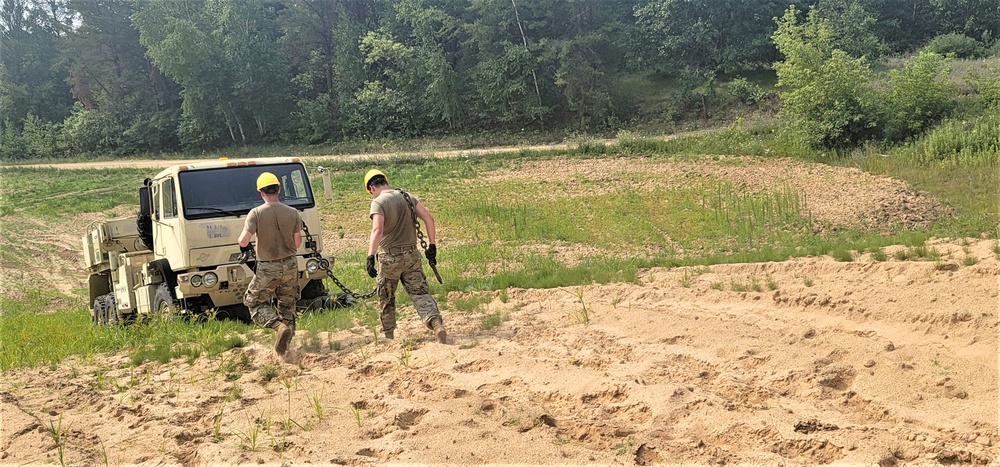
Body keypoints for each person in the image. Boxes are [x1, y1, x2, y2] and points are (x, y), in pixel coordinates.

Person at [364, 169, 447, 343]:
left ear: (372, 188)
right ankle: (436, 323)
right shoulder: (407, 196)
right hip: (411, 255)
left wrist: (370, 256)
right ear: (386, 182)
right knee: (420, 293)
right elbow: (429, 219)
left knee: (386, 297)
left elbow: (377, 229)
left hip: (389, 258)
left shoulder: (378, 203)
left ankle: (389, 336)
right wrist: (432, 246)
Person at [238, 172, 303, 357]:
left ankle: (278, 326)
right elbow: (297, 243)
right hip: (290, 264)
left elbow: (243, 240)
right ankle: (285, 349)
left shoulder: (256, 213)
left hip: (267, 266)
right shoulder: (293, 213)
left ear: (261, 192)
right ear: (279, 189)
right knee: (288, 305)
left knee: (254, 302)